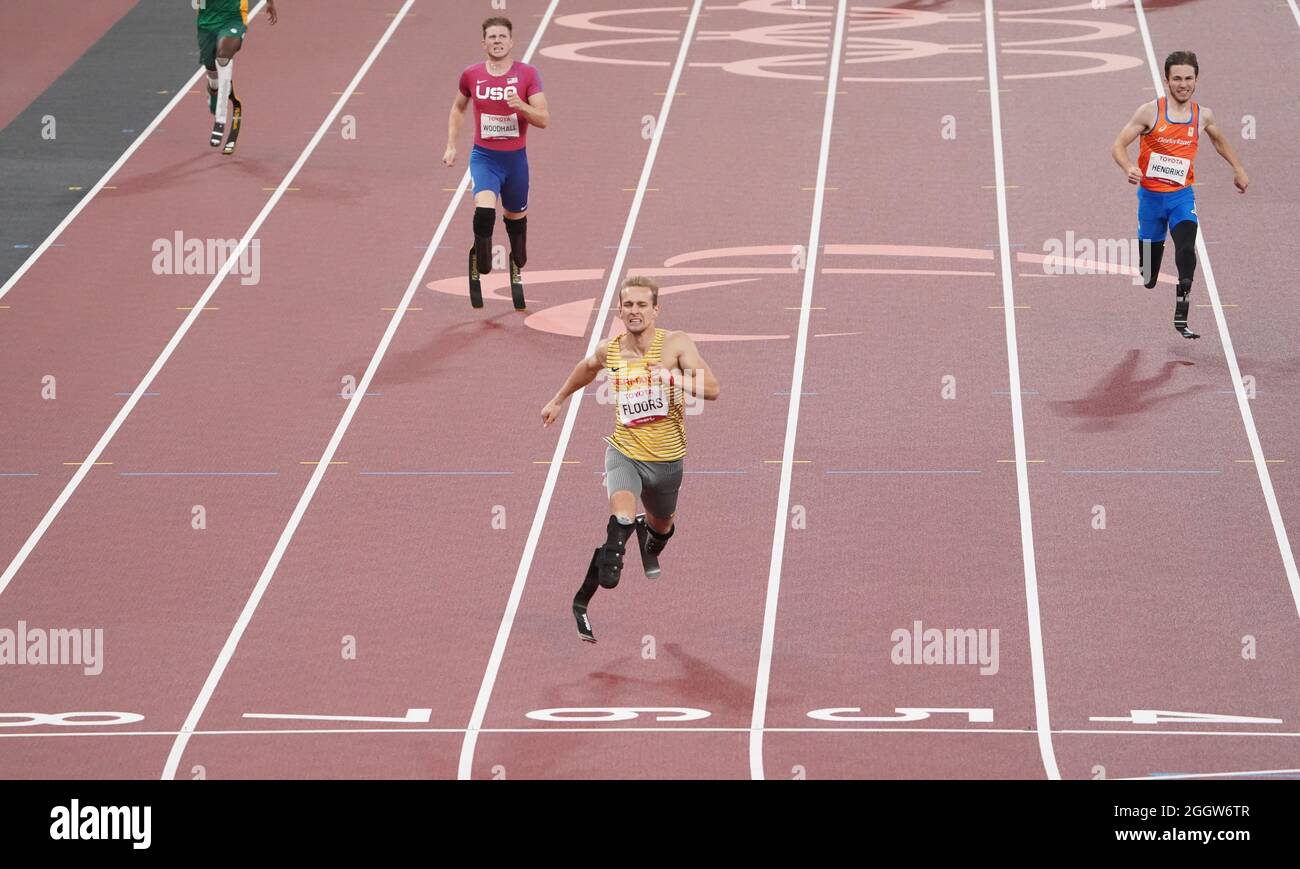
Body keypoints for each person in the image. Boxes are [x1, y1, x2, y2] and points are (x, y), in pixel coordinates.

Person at [541, 277, 721, 642]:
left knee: (661, 531)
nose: (634, 311)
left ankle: (649, 535)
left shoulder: (675, 344)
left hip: (667, 462)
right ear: (619, 311)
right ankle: (586, 596)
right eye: (628, 305)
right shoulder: (611, 350)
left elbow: (712, 389)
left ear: (656, 310)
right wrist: (558, 399)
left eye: (642, 305)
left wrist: (672, 378)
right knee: (620, 519)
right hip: (625, 452)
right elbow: (587, 368)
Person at [1111, 50, 1248, 339]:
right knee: (1148, 277)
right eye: (1177, 79)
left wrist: (1238, 168)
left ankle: (1182, 301)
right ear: (1166, 80)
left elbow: (1219, 141)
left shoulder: (1203, 115)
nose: (1183, 84)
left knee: (1187, 248)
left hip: (1181, 198)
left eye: (1188, 78)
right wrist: (1128, 167)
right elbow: (1118, 146)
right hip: (1150, 201)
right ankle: (1149, 264)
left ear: (1196, 80)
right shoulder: (1150, 112)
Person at [443, 16, 549, 310]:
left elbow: (544, 120)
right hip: (484, 158)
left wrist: (522, 106)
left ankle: (516, 262)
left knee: (519, 240)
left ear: (511, 42)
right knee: (485, 209)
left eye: (503, 36)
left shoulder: (527, 74)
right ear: (484, 42)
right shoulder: (471, 74)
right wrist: (452, 145)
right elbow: (457, 108)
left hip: (515, 162)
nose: (498, 41)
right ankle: (481, 257)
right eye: (492, 37)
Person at [198, 0, 278, 153]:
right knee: (211, 72)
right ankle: (213, 89)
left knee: (223, 56)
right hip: (207, 20)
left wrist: (270, 3)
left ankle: (220, 120)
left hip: (233, 18)